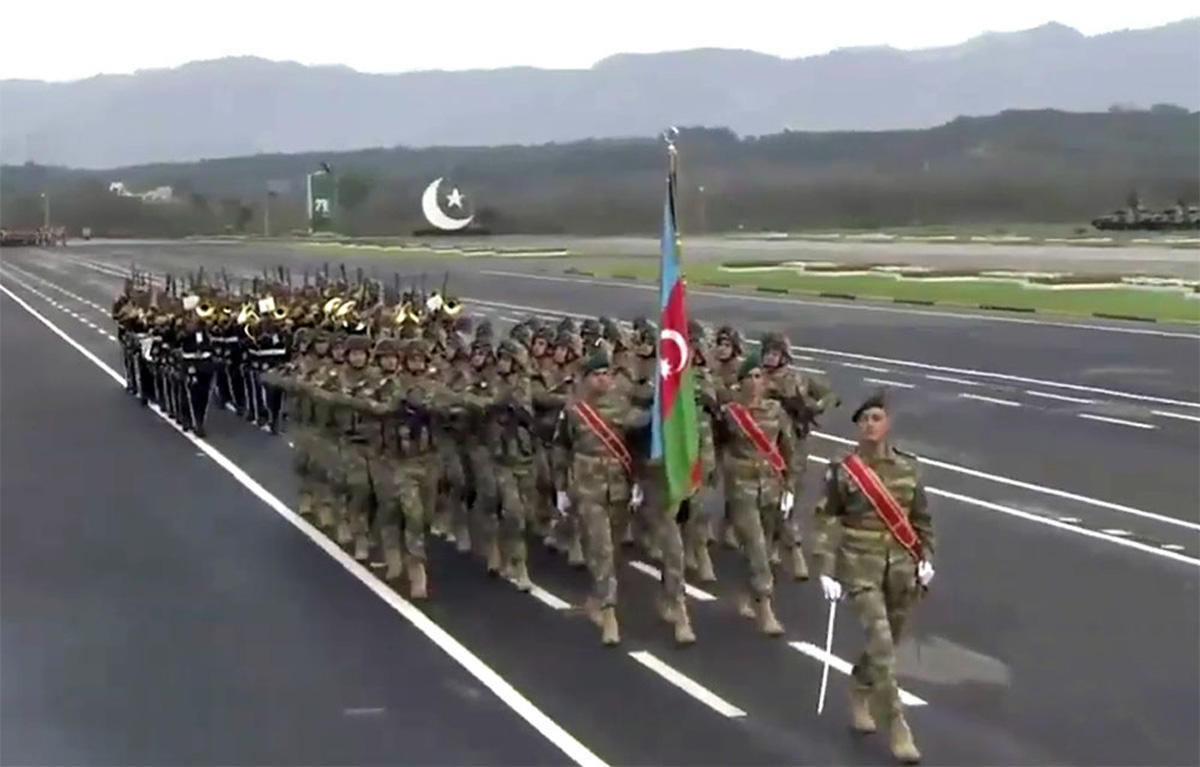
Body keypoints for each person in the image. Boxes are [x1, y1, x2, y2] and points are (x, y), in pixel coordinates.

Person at [812, 390, 934, 765]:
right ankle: (897, 726)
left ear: (887, 423)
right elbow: (827, 516)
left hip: (900, 568)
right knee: (881, 643)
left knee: (890, 642)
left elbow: (921, 519)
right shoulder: (843, 469)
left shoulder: (909, 469)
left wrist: (926, 557)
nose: (870, 425)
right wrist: (826, 566)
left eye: (876, 418)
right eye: (864, 420)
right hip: (859, 566)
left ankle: (860, 686)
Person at [552, 350, 650, 646]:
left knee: (613, 549)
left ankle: (597, 596)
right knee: (601, 548)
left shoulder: (622, 407)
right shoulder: (573, 411)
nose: (604, 379)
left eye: (607, 373)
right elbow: (561, 447)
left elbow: (642, 430)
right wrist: (560, 488)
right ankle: (609, 613)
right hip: (587, 489)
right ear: (585, 378)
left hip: (618, 488)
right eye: (597, 374)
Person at [716, 352, 800, 637]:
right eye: (748, 377)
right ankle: (765, 606)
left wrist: (790, 485)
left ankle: (744, 590)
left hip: (771, 487)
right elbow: (717, 444)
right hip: (742, 488)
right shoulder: (729, 414)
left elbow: (789, 449)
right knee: (755, 545)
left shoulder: (776, 411)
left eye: (757, 376)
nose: (754, 382)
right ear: (739, 383)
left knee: (761, 542)